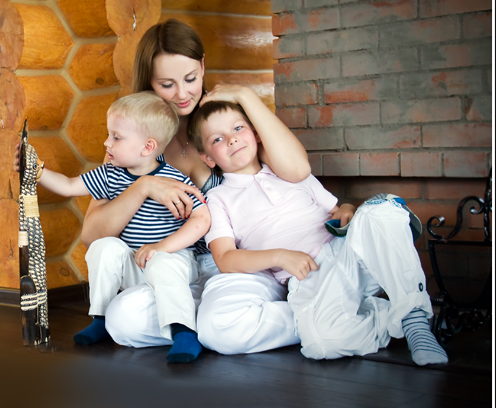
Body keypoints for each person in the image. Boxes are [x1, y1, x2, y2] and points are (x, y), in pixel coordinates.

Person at [81, 18, 312, 349]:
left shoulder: (224, 121)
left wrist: (246, 96)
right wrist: (142, 187)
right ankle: (209, 326)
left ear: (203, 66)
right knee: (122, 321)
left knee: (213, 320)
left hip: (234, 265)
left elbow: (298, 169)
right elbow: (92, 235)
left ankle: (306, 316)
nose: (182, 94)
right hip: (171, 269)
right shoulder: (133, 140)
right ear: (148, 82)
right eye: (167, 84)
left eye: (190, 79)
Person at [189, 100, 448, 366]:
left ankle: (415, 320)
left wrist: (347, 209)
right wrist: (280, 256)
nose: (232, 140)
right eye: (218, 139)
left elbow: (336, 211)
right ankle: (391, 316)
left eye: (238, 128)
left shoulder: (289, 172)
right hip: (308, 278)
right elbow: (225, 258)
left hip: (347, 252)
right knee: (323, 342)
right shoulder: (218, 198)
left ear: (256, 134)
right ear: (208, 158)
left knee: (377, 213)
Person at [27, 91, 212, 363]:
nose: (106, 143)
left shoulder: (173, 180)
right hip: (136, 263)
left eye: (116, 137)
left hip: (172, 261)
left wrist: (161, 247)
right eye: (109, 134)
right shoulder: (109, 175)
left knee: (163, 262)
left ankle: (184, 331)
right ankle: (100, 319)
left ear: (147, 147)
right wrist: (37, 171)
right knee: (104, 246)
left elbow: (202, 219)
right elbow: (68, 186)